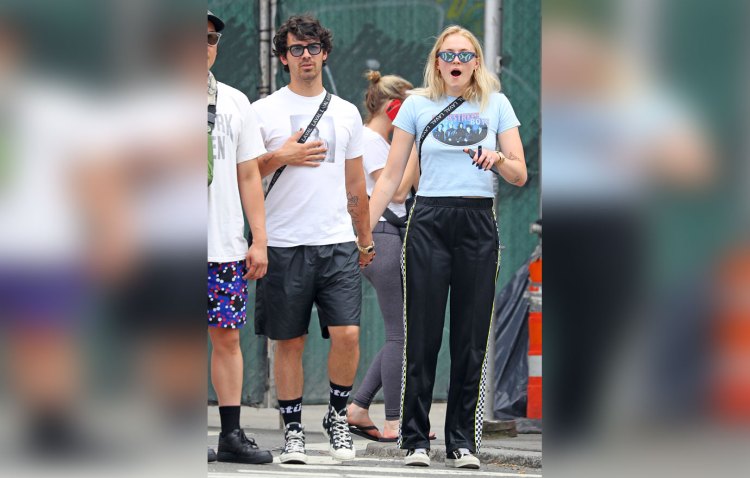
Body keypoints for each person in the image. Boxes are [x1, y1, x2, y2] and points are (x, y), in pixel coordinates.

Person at [368, 25, 527, 469]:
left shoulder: (496, 105)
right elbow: (391, 175)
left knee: (470, 338)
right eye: (447, 54)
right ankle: (416, 439)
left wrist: (497, 159)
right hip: (429, 221)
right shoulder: (417, 105)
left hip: (478, 222)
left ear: (476, 61)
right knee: (421, 335)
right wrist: (364, 229)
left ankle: (462, 442)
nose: (456, 61)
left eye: (465, 53)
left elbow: (520, 174)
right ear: (437, 61)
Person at [251, 15, 374, 464]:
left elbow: (356, 183)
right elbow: (243, 175)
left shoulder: (345, 112)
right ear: (283, 57)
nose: (306, 56)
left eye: (313, 48)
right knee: (291, 341)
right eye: (296, 49)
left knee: (347, 334)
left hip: (337, 242)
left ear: (325, 52)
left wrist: (364, 239)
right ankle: (294, 430)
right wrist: (280, 155)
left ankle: (338, 416)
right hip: (283, 242)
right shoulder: (261, 111)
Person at [346, 70, 430, 443]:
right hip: (381, 236)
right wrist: (411, 144)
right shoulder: (373, 141)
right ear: (396, 107)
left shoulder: (376, 139)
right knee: (400, 334)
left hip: (389, 236)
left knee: (403, 331)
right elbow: (396, 193)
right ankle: (395, 421)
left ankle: (359, 407)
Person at [206, 10, 272, 465]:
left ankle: (230, 435)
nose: (200, 45)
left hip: (222, 243)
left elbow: (249, 174)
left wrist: (259, 239)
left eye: (209, 38)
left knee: (227, 338)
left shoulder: (234, 101)